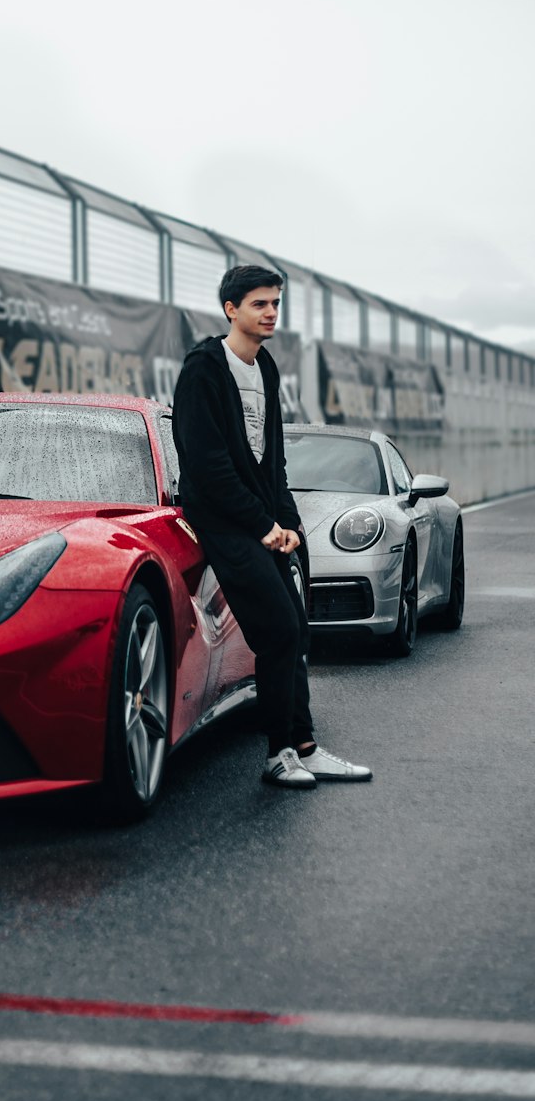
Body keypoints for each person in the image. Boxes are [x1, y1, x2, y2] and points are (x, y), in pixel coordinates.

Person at [172, 265, 372, 788]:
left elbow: (272, 458)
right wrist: (263, 525)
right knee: (278, 631)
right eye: (260, 304)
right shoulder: (204, 369)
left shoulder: (266, 368)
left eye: (276, 304)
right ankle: (279, 754)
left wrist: (290, 524)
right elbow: (208, 465)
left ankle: (304, 746)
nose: (271, 314)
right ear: (230, 309)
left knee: (294, 632)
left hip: (261, 521)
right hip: (220, 521)